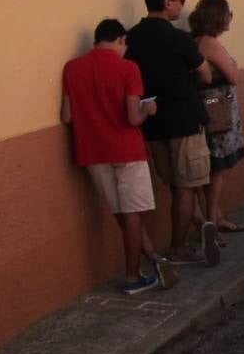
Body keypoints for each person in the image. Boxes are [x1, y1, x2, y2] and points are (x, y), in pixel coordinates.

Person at [61, 19, 177, 294]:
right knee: (133, 213)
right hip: (126, 149)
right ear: (121, 40)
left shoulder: (72, 68)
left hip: (91, 151)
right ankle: (132, 276)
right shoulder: (128, 68)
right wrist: (149, 109)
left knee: (122, 214)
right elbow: (132, 117)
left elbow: (66, 116)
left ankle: (154, 259)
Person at [125, 0, 218, 266]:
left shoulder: (132, 38)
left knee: (174, 184)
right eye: (181, 0)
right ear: (167, 4)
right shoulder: (177, 38)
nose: (183, 5)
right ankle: (178, 246)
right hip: (185, 120)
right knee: (186, 187)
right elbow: (205, 74)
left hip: (152, 123)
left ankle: (201, 225)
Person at [190, 0, 244, 241]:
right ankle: (212, 220)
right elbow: (232, 75)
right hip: (218, 111)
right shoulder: (209, 43)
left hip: (217, 109)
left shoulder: (199, 41)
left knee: (218, 167)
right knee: (220, 167)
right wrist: (234, 67)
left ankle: (217, 216)